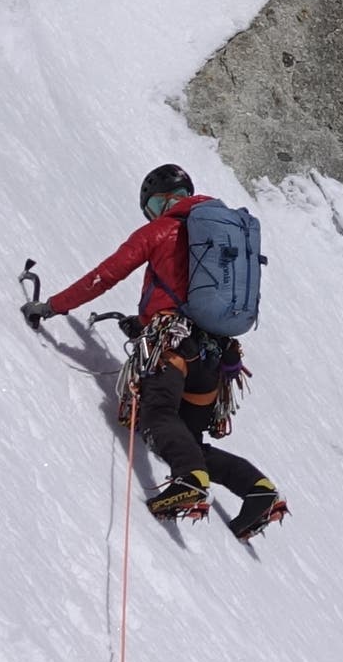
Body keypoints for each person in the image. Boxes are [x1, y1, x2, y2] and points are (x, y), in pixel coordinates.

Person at [31, 164, 286, 541]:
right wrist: (141, 320)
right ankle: (258, 489)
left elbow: (105, 275)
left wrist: (51, 307)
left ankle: (189, 481)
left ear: (160, 201)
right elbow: (184, 291)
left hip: (172, 345)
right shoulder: (218, 237)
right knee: (187, 439)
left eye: (151, 206)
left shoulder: (160, 230)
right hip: (214, 356)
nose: (153, 213)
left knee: (157, 417)